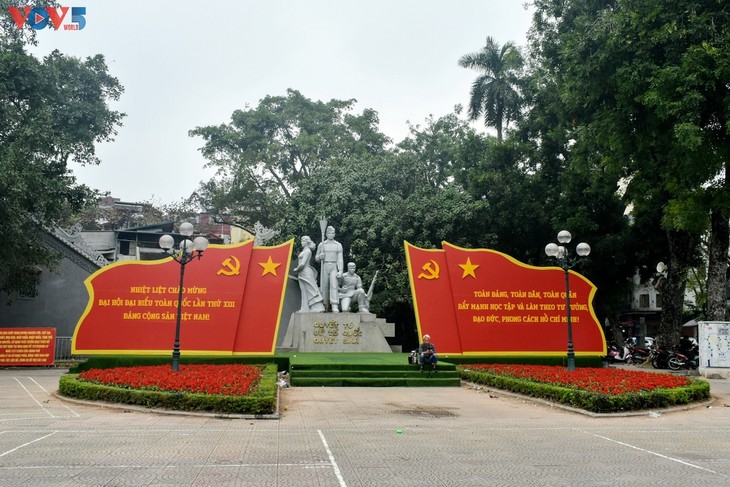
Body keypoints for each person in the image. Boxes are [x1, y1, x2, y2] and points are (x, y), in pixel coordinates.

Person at [292, 236, 325, 312]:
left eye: (303, 240)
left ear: (307, 242)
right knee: (303, 290)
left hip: (306, 271)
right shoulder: (304, 251)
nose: (302, 242)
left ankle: (318, 308)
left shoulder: (307, 251)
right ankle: (305, 308)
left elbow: (303, 264)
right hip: (302, 273)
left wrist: (296, 269)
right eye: (301, 240)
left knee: (311, 289)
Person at [315, 225, 343, 312]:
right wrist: (320, 257)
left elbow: (340, 259)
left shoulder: (338, 245)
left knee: (334, 285)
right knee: (324, 286)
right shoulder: (322, 244)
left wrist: (341, 270)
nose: (331, 234)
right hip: (324, 266)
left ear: (334, 234)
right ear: (326, 234)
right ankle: (324, 304)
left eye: (332, 233)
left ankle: (334, 305)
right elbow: (316, 258)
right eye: (329, 233)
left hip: (333, 266)